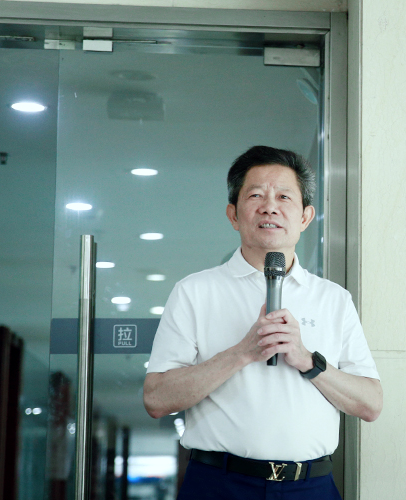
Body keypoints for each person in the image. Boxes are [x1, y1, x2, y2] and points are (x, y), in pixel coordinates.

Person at [143, 145, 382, 499]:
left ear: (305, 217)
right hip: (220, 484)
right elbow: (156, 398)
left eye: (284, 196)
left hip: (310, 487)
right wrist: (242, 353)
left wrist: (308, 361)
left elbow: (370, 404)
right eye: (256, 195)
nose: (270, 207)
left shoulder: (334, 299)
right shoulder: (194, 291)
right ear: (233, 214)